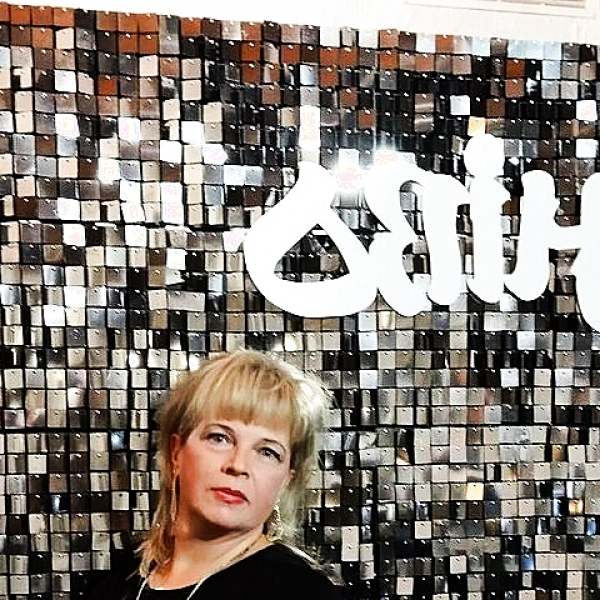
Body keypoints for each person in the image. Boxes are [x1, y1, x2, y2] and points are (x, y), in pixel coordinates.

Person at [85, 349, 349, 599]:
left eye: (267, 452)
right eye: (220, 438)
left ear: (286, 480)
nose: (238, 465)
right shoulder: (121, 581)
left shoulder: (303, 591)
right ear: (176, 451)